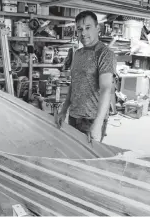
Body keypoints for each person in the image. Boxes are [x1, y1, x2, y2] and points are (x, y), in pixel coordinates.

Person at [55, 10, 116, 142]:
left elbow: (106, 89)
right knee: (75, 155)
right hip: (74, 116)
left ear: (97, 28)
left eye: (87, 28)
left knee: (90, 160)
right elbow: (74, 83)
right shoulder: (78, 53)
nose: (83, 33)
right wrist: (63, 110)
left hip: (91, 119)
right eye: (79, 29)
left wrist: (98, 123)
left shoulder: (104, 54)